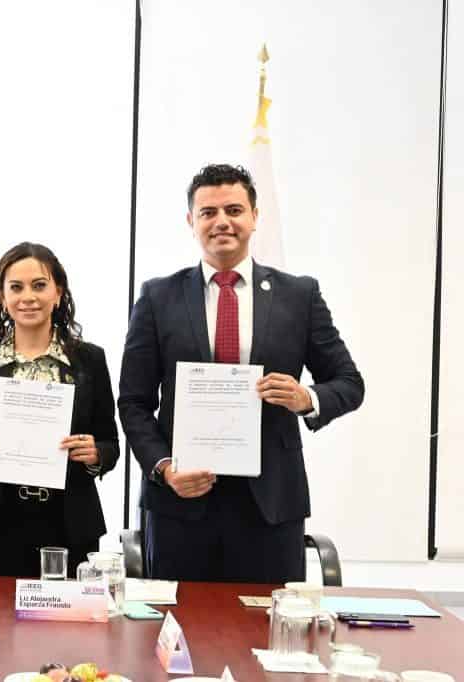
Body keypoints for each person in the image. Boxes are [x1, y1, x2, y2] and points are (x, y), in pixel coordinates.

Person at [118, 164, 364, 583]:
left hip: (270, 505)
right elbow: (134, 402)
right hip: (181, 501)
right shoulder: (158, 297)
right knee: (179, 634)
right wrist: (163, 467)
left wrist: (307, 398)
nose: (222, 222)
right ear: (191, 222)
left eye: (233, 209)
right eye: (208, 212)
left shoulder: (299, 295)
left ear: (254, 216)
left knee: (267, 632)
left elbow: (349, 383)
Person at [0, 242, 120, 578]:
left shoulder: (89, 359)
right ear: (2, 297)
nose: (27, 296)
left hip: (71, 522)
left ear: (58, 292)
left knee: (68, 628)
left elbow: (110, 443)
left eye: (39, 285)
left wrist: (96, 453)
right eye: (16, 287)